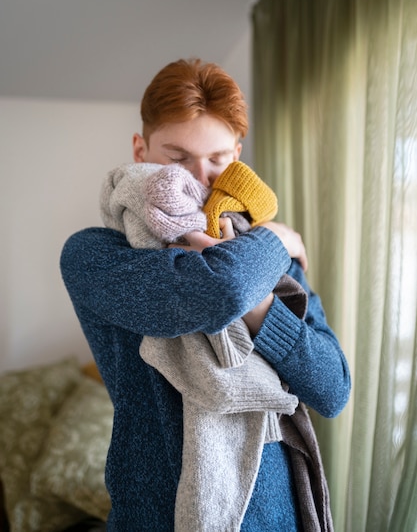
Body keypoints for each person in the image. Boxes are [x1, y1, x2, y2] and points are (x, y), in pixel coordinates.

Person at [60, 58, 351, 531]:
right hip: (156, 517)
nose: (199, 179)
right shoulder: (95, 254)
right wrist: (277, 239)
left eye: (218, 160)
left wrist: (260, 307)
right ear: (140, 149)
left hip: (282, 515)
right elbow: (220, 290)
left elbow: (333, 389)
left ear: (237, 155)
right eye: (178, 158)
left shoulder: (270, 263)